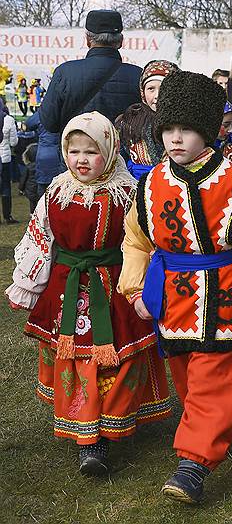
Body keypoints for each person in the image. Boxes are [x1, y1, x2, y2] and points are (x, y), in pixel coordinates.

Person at [118, 71, 232, 504]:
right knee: (191, 380)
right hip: (173, 300)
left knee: (216, 377)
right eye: (169, 130)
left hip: (225, 296)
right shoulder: (152, 184)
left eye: (187, 130)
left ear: (208, 132)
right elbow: (136, 239)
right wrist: (136, 289)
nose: (176, 139)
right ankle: (207, 427)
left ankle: (193, 463)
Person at [6, 112, 171, 476]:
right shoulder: (56, 192)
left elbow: (143, 244)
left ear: (110, 152)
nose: (81, 159)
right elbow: (39, 239)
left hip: (114, 288)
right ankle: (89, 439)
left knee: (117, 358)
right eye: (74, 150)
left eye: (91, 152)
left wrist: (145, 287)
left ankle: (109, 423)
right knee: (79, 361)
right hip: (67, 290)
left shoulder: (129, 193)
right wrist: (27, 284)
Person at [39, 10, 142, 133]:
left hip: (77, 149)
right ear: (120, 42)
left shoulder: (65, 72)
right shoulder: (138, 75)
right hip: (121, 151)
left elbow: (49, 122)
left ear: (88, 40)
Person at [115, 59, 178, 180]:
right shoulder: (128, 121)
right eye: (151, 89)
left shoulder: (186, 122)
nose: (157, 95)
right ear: (142, 92)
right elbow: (118, 159)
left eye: (164, 88)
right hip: (135, 185)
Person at [24, 111, 63, 198]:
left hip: (44, 155)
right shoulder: (64, 110)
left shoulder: (43, 113)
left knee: (42, 192)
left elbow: (28, 124)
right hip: (60, 154)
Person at [0, 103, 19, 223]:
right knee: (6, 186)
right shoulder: (9, 120)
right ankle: (7, 216)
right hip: (5, 157)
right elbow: (14, 142)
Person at [18, 143, 38, 214]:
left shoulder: (28, 167)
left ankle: (32, 214)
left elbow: (23, 179)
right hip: (39, 189)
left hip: (31, 190)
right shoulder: (41, 166)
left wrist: (21, 188)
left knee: (32, 203)